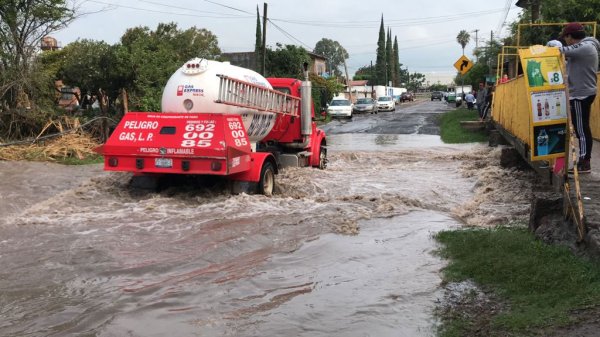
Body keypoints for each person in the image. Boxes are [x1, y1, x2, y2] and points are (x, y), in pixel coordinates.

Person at [557, 22, 600, 173]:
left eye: (565, 37)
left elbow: (559, 50)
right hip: (582, 92)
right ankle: (584, 160)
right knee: (582, 128)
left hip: (581, 95)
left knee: (581, 130)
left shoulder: (584, 47)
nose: (565, 40)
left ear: (570, 36)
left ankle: (584, 163)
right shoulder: (584, 48)